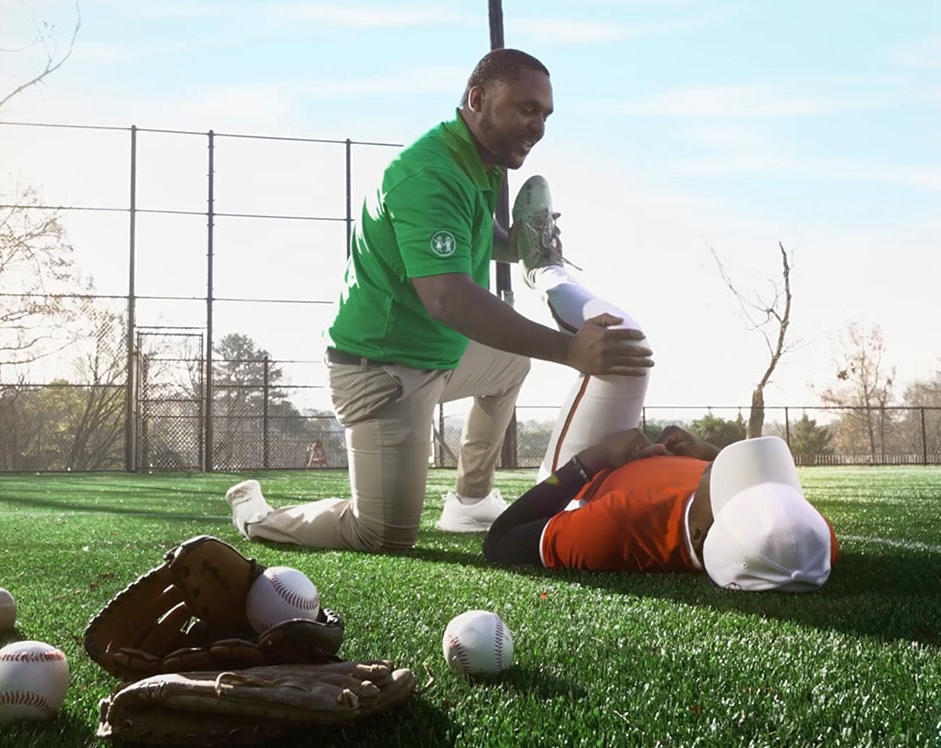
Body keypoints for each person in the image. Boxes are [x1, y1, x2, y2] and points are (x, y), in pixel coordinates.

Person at [222, 48, 653, 554]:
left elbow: (475, 235)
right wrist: (570, 350)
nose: (538, 126)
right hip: (381, 373)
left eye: (545, 114)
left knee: (510, 363)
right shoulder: (429, 173)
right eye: (526, 109)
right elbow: (448, 298)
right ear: (478, 99)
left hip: (437, 355)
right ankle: (260, 518)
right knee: (383, 534)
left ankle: (469, 501)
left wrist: (521, 243)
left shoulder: (477, 160)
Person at [478, 251, 839, 591]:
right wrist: (705, 452)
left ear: (697, 534)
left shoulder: (616, 530)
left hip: (583, 479)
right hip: (624, 461)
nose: (726, 474)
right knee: (624, 345)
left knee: (622, 339)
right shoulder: (807, 542)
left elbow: (499, 541)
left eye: (728, 485)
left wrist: (594, 460)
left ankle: (545, 271)